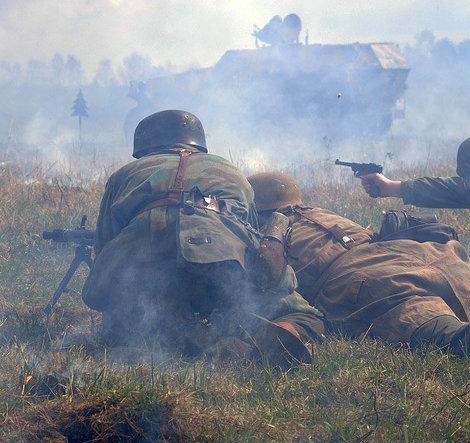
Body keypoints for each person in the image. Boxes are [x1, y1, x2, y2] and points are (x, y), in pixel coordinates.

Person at [82, 110, 325, 369]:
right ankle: (282, 328)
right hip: (221, 256)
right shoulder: (231, 172)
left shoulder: (125, 174)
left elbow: (105, 246)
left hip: (145, 267)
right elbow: (249, 229)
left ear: (146, 147)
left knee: (124, 318)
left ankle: (181, 333)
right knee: (303, 313)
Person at [248, 171, 470, 365]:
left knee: (449, 337)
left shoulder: (261, 234)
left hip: (373, 279)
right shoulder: (319, 212)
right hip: (427, 254)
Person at [359, 135, 470, 282]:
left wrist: (451, 272)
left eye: (467, 181)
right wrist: (393, 187)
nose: (466, 186)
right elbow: (452, 190)